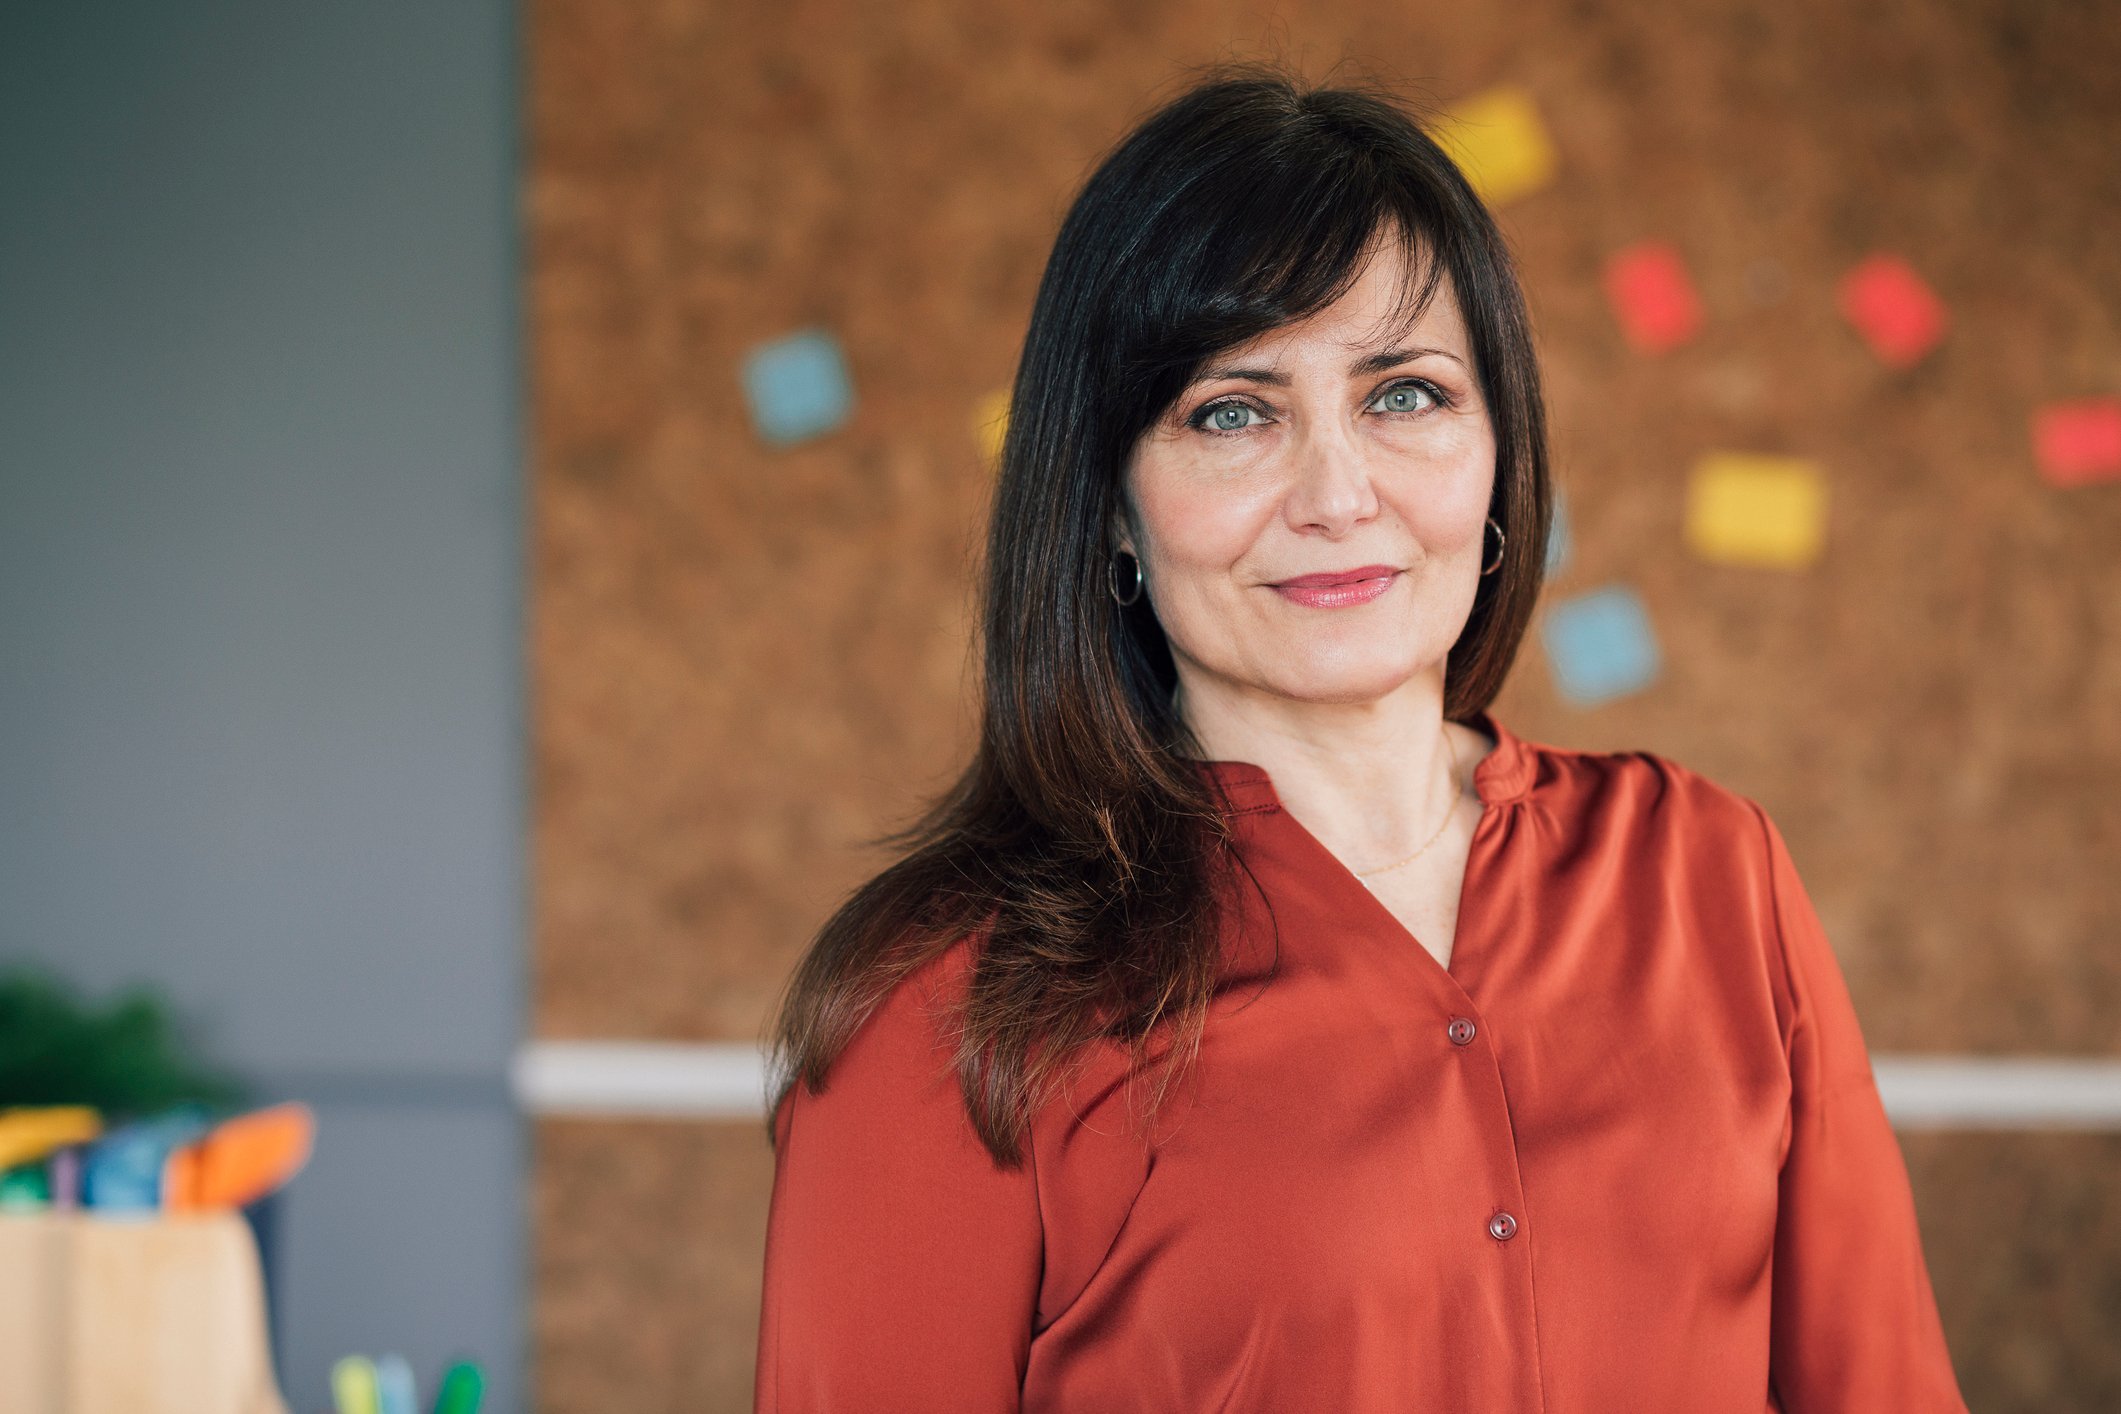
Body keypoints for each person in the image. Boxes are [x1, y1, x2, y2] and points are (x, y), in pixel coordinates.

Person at [752, 63, 1967, 1413]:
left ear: (1500, 448)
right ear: (1107, 505)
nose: (1338, 493)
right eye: (1231, 413)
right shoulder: (948, 998)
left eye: (1404, 395)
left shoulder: (1707, 872)